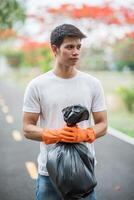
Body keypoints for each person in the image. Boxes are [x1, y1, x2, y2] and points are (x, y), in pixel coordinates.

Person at [22, 24, 107, 200]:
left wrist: (83, 134)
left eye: (78, 47)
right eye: (69, 47)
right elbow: (27, 128)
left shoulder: (93, 84)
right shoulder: (37, 85)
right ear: (55, 49)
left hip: (84, 170)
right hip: (49, 172)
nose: (76, 52)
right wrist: (57, 134)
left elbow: (103, 125)